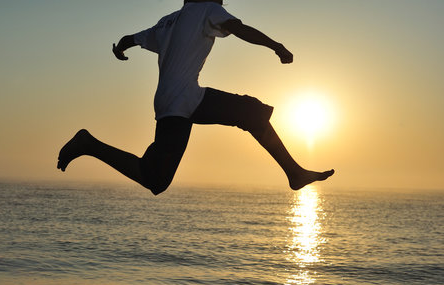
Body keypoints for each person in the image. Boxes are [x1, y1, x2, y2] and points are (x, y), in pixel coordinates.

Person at [57, 0, 334, 195]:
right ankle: (88, 144)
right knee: (249, 113)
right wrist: (277, 46)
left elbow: (132, 38)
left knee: (156, 178)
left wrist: (120, 47)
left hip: (169, 102)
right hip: (184, 100)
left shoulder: (168, 22)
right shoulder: (207, 10)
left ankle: (89, 144)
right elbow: (240, 29)